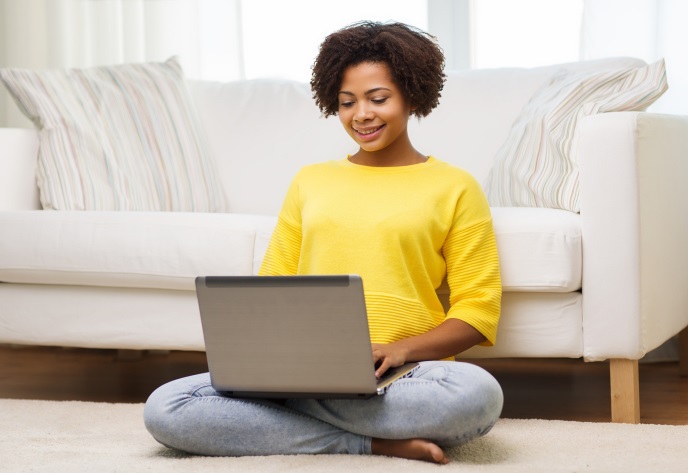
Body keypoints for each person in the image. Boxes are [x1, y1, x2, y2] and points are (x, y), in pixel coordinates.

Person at [144, 21, 503, 465]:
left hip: (405, 376)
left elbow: (477, 311)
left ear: (412, 95)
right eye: (346, 102)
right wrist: (269, 365)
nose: (361, 115)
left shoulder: (455, 187)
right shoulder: (310, 181)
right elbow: (271, 286)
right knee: (167, 406)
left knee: (478, 395)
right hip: (303, 371)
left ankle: (283, 425)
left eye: (378, 99)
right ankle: (366, 442)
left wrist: (400, 349)